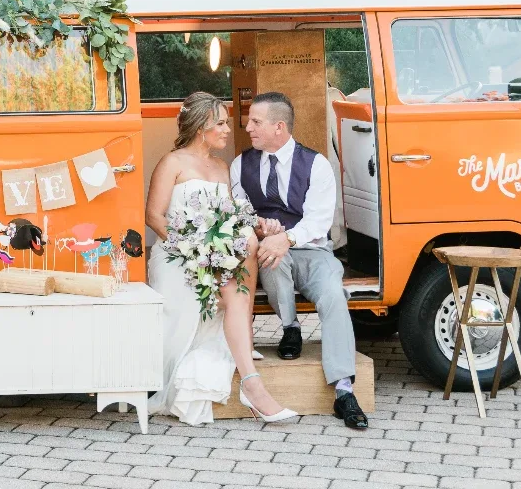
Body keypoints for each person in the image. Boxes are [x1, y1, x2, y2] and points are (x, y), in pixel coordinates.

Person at [146, 92, 297, 425]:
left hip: (213, 257)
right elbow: (154, 216)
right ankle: (251, 381)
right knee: (233, 281)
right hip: (175, 254)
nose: (229, 129)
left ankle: (250, 382)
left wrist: (257, 225)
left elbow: (228, 218)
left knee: (243, 252)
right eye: (221, 123)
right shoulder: (172, 163)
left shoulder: (221, 166)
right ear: (202, 127)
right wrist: (191, 249)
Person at [231, 91, 369, 430]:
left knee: (334, 295)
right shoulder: (240, 164)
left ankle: (344, 390)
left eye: (255, 122)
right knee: (271, 258)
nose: (248, 128)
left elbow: (319, 220)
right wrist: (259, 227)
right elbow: (237, 211)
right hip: (268, 249)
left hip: (313, 250)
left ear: (279, 127)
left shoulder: (316, 164)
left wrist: (287, 238)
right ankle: (291, 328)